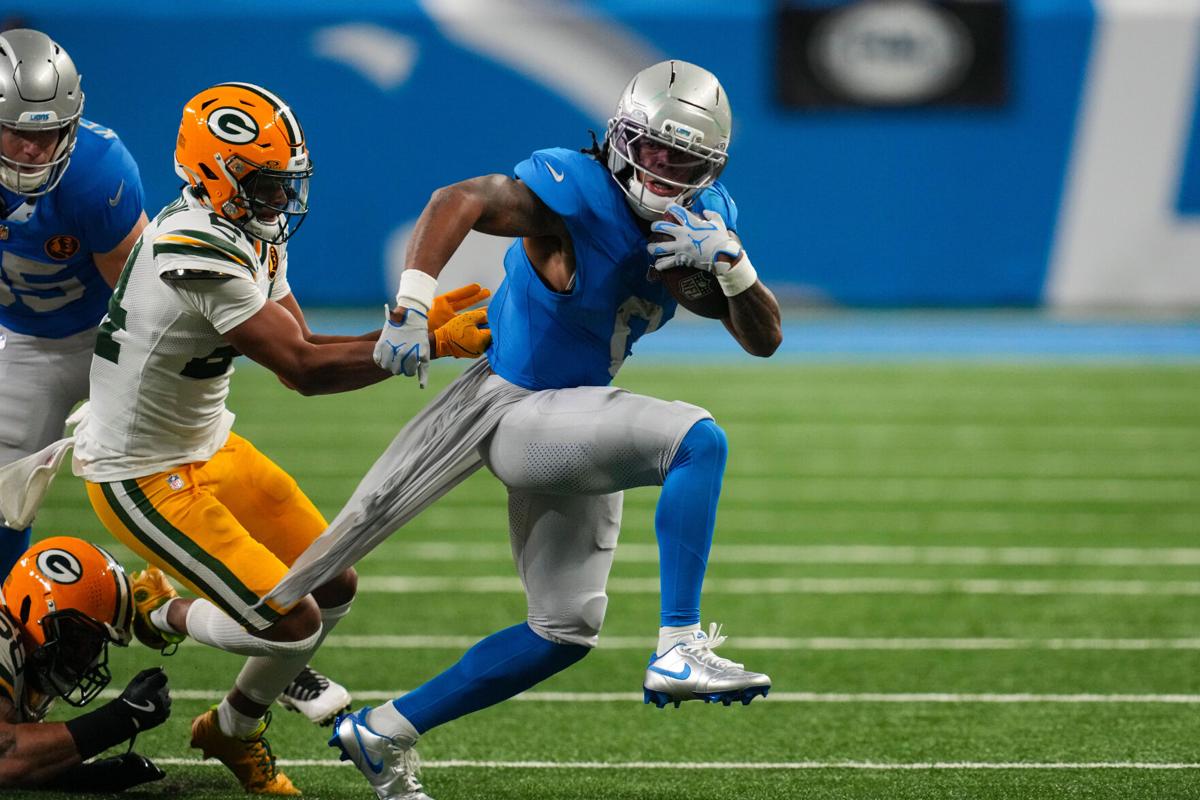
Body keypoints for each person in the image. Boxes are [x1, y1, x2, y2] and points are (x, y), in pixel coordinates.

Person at [250, 60, 782, 800]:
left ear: (710, 167)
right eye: (654, 149)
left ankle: (383, 732)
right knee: (698, 440)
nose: (665, 170)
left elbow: (762, 338)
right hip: (516, 408)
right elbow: (460, 198)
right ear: (621, 138)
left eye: (684, 160)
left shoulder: (705, 215)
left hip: (575, 411)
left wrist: (735, 269)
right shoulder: (575, 190)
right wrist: (411, 305)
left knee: (562, 630)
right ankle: (681, 644)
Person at [70, 82, 491, 796]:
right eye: (264, 182)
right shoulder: (193, 246)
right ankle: (158, 608)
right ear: (215, 173)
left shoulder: (245, 230)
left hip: (209, 445)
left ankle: (232, 729)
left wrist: (405, 326)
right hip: (139, 472)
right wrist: (431, 343)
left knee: (334, 582)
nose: (279, 197)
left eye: (283, 181)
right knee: (291, 626)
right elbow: (301, 371)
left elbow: (306, 340)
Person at [0, 29, 147, 577]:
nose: (35, 148)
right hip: (22, 341)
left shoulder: (96, 169)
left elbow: (140, 296)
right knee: (4, 499)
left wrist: (139, 373)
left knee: (172, 479)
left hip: (108, 335)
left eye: (51, 131)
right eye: (19, 132)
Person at [0, 536, 172, 792]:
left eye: (94, 644)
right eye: (78, 637)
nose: (85, 657)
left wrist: (76, 776)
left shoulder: (27, 661)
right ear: (30, 607)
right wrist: (118, 718)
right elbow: (5, 754)